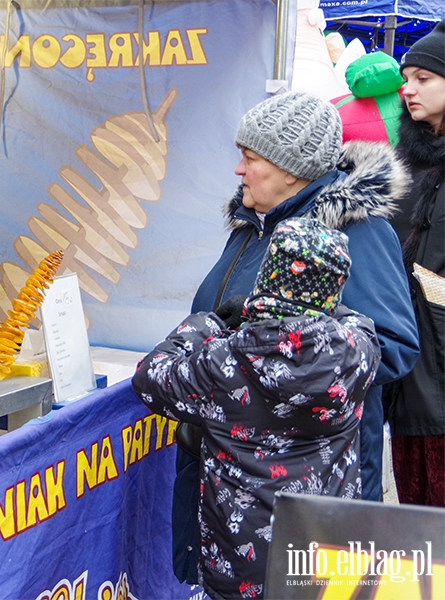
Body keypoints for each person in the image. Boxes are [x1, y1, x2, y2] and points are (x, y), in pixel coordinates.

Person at [170, 90, 419, 585]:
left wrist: (268, 366)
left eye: (250, 157)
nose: (238, 170)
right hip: (231, 473)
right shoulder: (250, 226)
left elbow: (393, 346)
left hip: (306, 478)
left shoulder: (355, 231)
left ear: (291, 169)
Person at [133, 217, 380, 600]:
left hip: (238, 565)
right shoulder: (356, 356)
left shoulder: (222, 362)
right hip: (328, 560)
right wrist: (321, 310)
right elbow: (360, 323)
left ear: (266, 275)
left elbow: (150, 377)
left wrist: (209, 322)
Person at [385, 20, 445, 507]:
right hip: (411, 358)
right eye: (407, 78)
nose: (408, 89)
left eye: (424, 78)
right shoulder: (404, 160)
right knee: (416, 516)